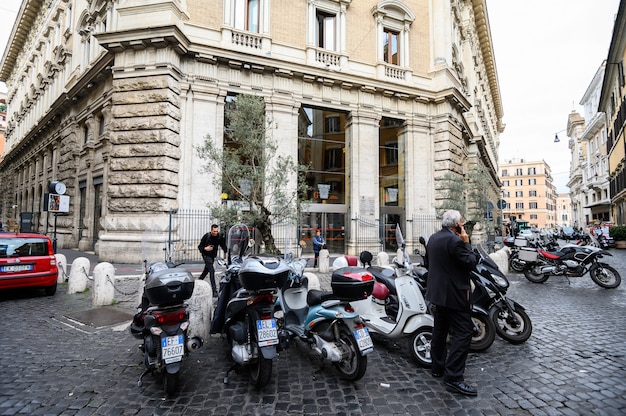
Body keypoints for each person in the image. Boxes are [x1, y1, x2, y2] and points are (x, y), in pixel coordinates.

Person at [425, 210, 478, 396]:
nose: (462, 225)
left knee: (440, 331)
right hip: (455, 295)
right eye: (461, 223)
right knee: (464, 332)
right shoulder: (456, 241)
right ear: (456, 224)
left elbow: (429, 263)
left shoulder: (433, 238)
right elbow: (471, 263)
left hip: (438, 294)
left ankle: (437, 367)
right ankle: (454, 377)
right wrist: (466, 242)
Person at [198, 224, 227, 297]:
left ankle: (199, 280)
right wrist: (205, 248)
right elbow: (200, 246)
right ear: (211, 230)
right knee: (212, 270)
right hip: (206, 255)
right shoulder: (206, 236)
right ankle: (214, 290)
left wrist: (226, 252)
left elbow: (223, 245)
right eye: (214, 231)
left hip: (212, 256)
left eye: (216, 231)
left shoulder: (219, 236)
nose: (215, 233)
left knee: (206, 270)